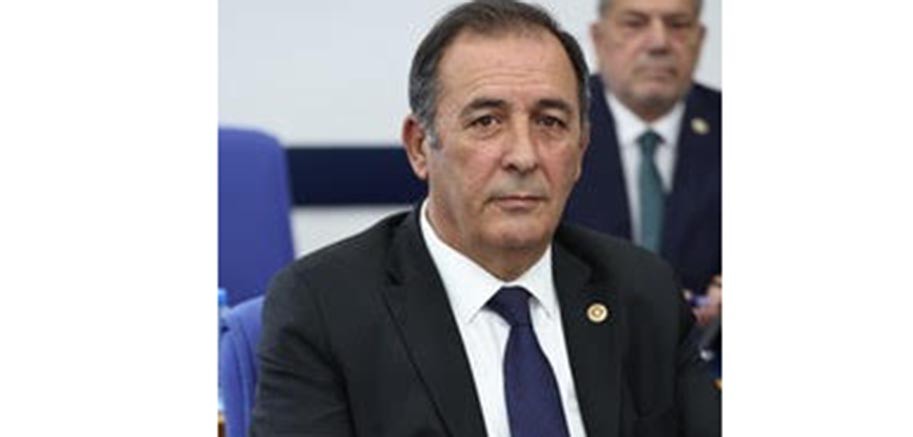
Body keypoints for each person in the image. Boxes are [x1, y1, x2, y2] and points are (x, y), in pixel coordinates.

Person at [250, 1, 720, 436]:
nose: (524, 156)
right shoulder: (325, 307)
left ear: (581, 150)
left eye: (550, 122)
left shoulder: (642, 292)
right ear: (419, 146)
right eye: (486, 122)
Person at [564, 0, 721, 324]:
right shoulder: (552, 124)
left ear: (700, 38)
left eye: (677, 25)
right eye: (635, 24)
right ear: (598, 38)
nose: (659, 43)